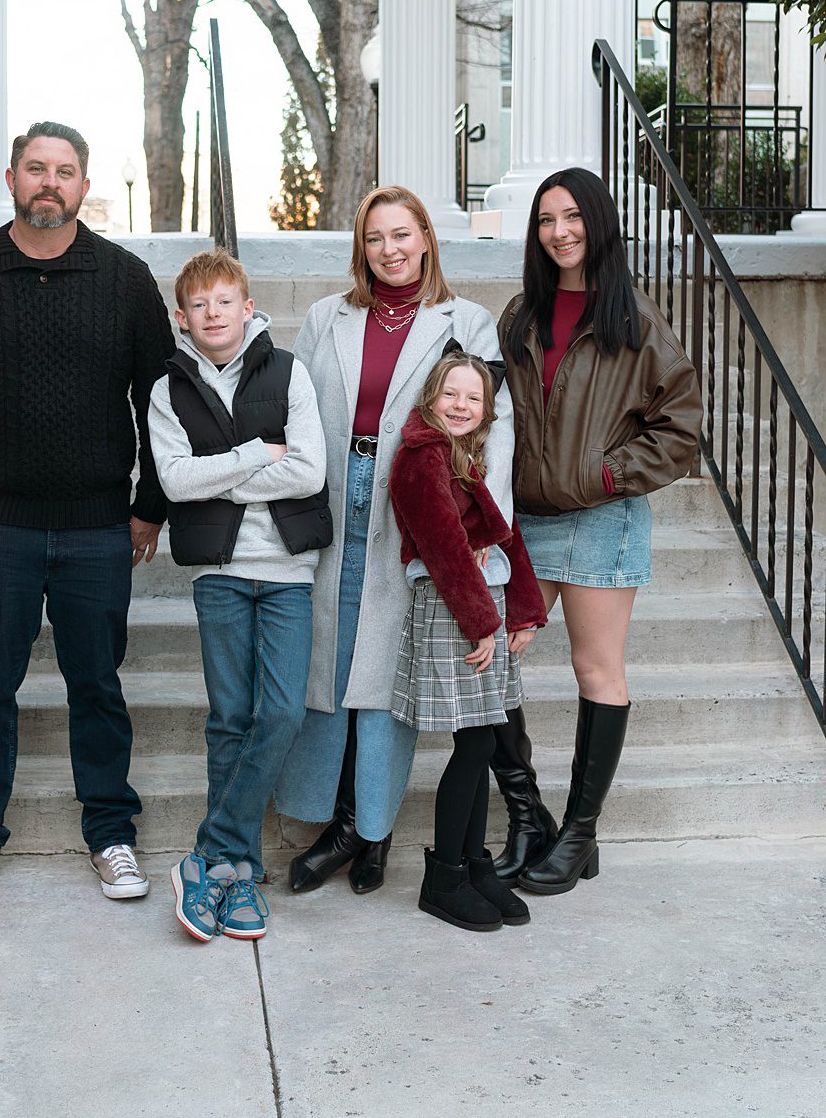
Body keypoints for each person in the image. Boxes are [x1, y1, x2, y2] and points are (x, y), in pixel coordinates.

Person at [0, 122, 173, 905]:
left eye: (64, 170)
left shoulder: (125, 278)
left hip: (99, 524)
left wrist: (150, 504)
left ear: (85, 185)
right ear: (11, 177)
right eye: (35, 168)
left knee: (97, 683)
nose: (49, 182)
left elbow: (160, 402)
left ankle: (112, 834)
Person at [275, 185, 515, 896]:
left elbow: (493, 425)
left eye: (402, 234)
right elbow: (294, 410)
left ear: (426, 238)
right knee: (330, 657)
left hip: (417, 499)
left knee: (385, 666)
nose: (390, 249)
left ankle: (369, 829)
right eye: (375, 237)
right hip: (334, 493)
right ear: (362, 248)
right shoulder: (327, 316)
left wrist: (480, 522)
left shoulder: (466, 321)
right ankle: (332, 816)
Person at [492, 166, 700, 895]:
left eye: (573, 216)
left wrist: (605, 474)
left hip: (602, 516)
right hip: (527, 520)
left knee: (596, 669)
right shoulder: (520, 314)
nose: (560, 232)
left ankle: (580, 835)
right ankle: (529, 818)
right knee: (488, 659)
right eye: (547, 220)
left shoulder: (632, 317)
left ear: (598, 222)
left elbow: (681, 428)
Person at [148, 249, 330, 944]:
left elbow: (309, 472)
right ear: (182, 318)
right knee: (230, 717)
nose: (214, 313)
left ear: (247, 307)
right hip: (218, 571)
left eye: (225, 301)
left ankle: (207, 851)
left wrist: (216, 476)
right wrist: (257, 454)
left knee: (280, 711)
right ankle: (236, 873)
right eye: (200, 305)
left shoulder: (288, 371)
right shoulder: (168, 390)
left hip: (286, 568)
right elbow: (175, 482)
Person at [388, 351, 547, 932]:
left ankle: (475, 867)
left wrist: (523, 610)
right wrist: (483, 624)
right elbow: (444, 548)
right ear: (431, 397)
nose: (461, 405)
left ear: (487, 409)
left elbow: (504, 532)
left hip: (480, 605)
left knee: (480, 740)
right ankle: (444, 878)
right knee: (475, 743)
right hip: (451, 607)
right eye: (451, 394)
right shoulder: (420, 456)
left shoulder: (466, 456)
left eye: (473, 397)